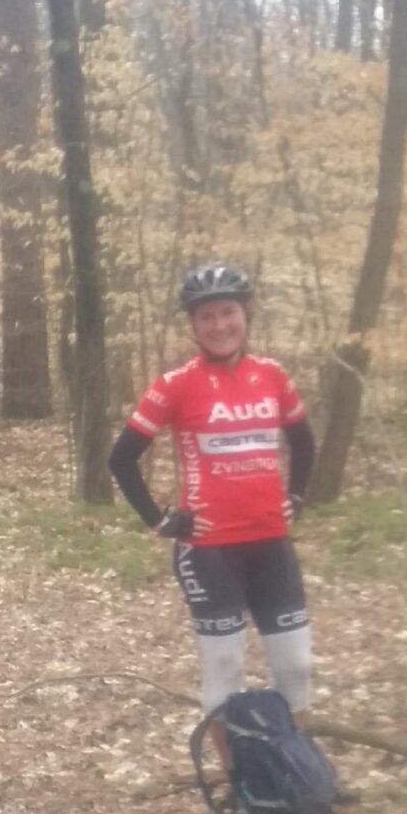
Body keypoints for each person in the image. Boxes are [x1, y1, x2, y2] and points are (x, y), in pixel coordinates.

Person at [109, 264, 316, 718]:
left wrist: (297, 496)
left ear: (244, 315)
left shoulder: (273, 375)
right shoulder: (176, 385)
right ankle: (233, 765)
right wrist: (160, 520)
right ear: (193, 325)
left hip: (270, 543)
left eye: (228, 312)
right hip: (209, 550)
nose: (220, 325)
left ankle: (293, 760)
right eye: (207, 316)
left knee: (297, 667)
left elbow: (303, 442)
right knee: (225, 669)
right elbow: (121, 459)